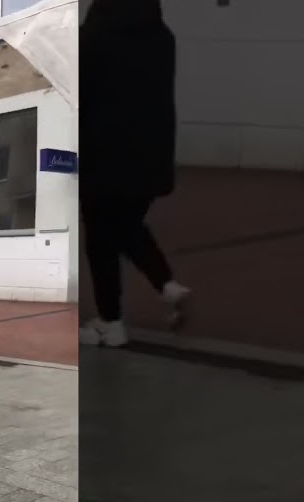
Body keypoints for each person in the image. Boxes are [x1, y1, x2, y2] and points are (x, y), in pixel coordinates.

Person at [80, 0, 191, 348]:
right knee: (127, 225)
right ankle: (167, 285)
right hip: (149, 154)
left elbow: (83, 93)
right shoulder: (163, 37)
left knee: (102, 243)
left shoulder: (95, 34)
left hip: (103, 154)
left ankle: (110, 323)